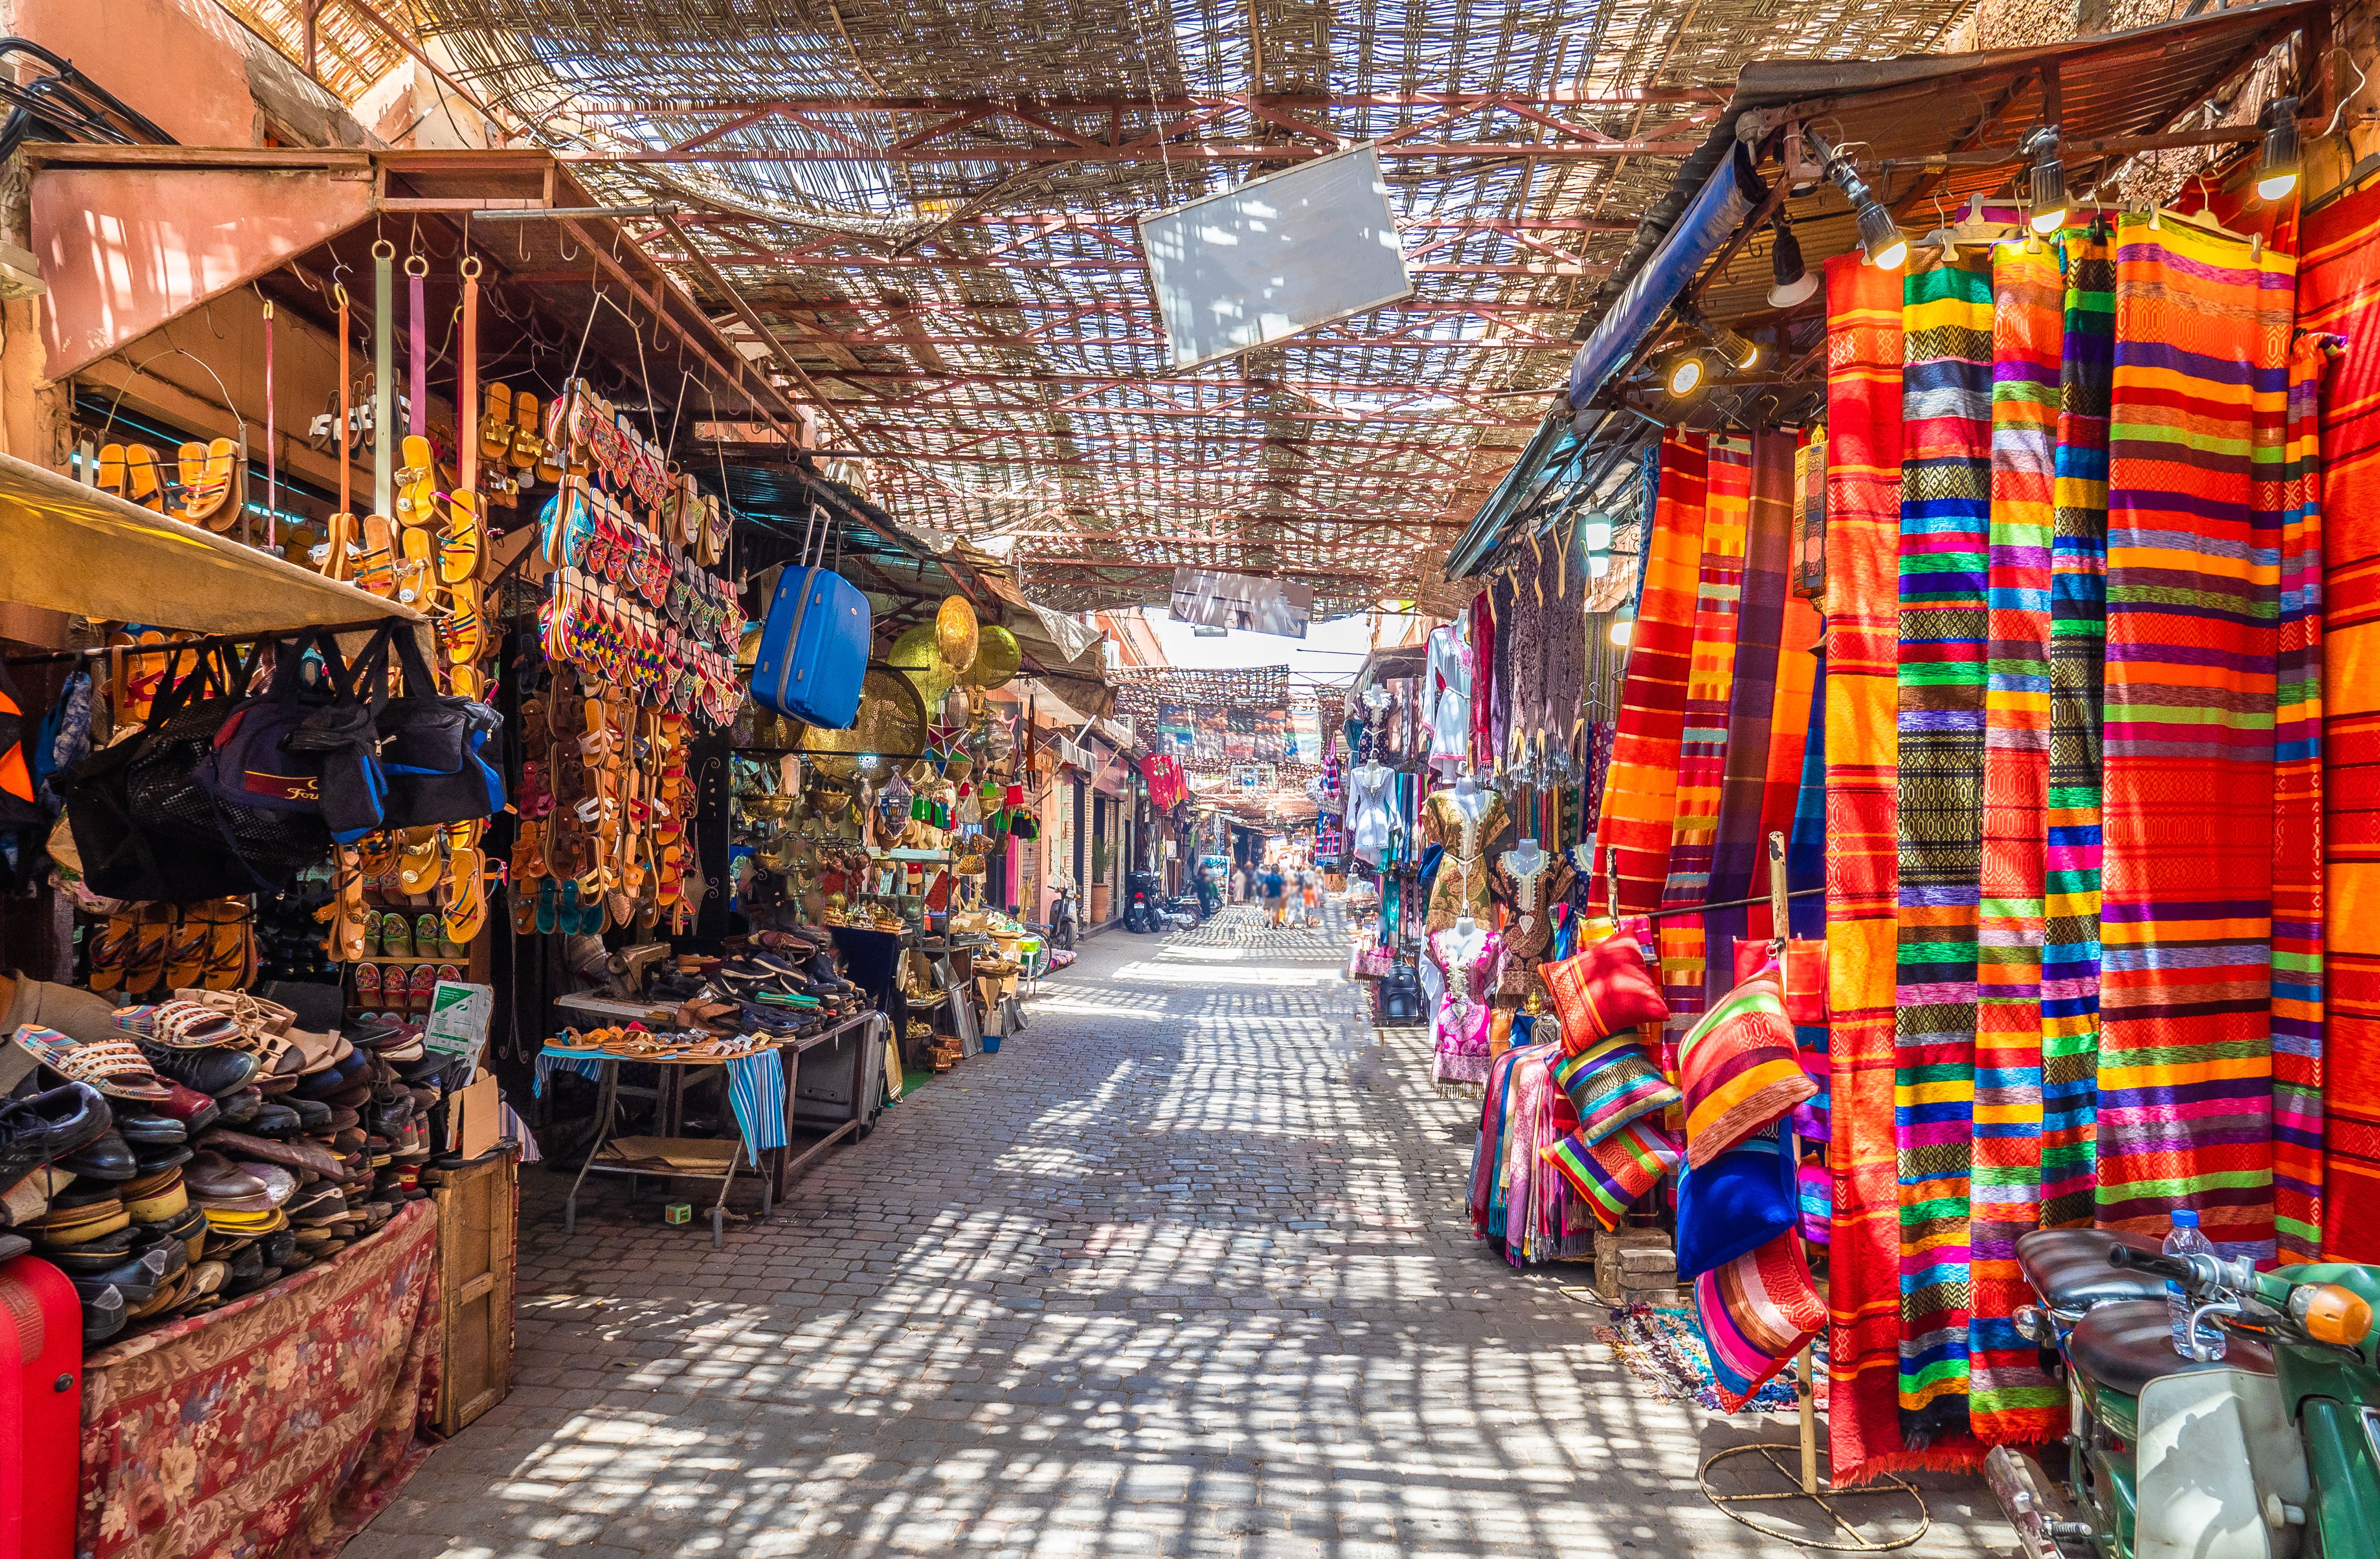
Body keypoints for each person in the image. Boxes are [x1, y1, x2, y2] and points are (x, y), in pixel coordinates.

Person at [1261, 863, 1286, 927]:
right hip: (1277, 897)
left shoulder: (1268, 877)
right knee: (1275, 911)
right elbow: (1283, 888)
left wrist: (1263, 894)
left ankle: (1267, 920)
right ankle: (1274, 925)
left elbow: (1264, 886)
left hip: (1268, 896)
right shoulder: (1280, 878)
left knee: (1267, 909)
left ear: (1271, 870)